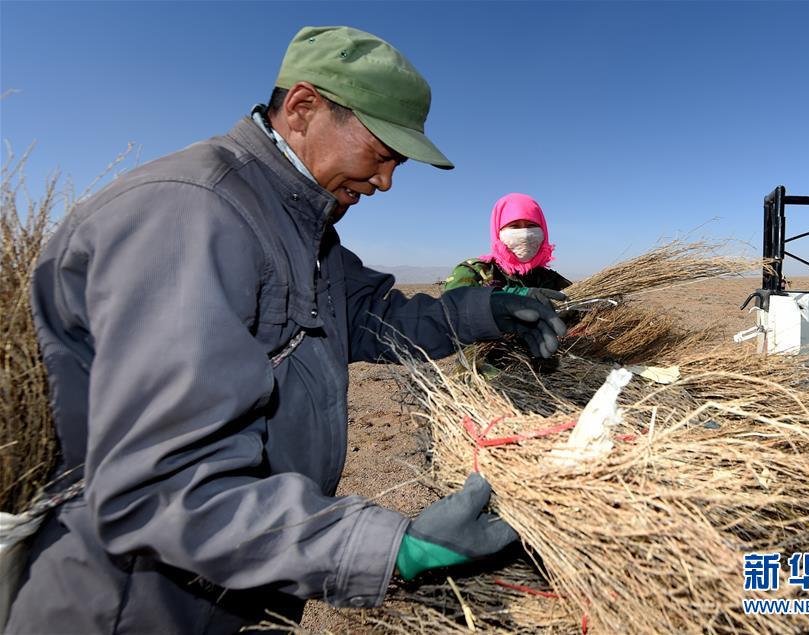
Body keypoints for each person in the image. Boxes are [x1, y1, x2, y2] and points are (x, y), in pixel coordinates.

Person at [7, 26, 566, 634]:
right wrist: (389, 548)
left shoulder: (303, 228)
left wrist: (488, 312)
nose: (385, 182)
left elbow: (375, 316)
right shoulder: (194, 215)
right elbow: (164, 488)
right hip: (129, 606)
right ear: (303, 108)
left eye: (397, 164)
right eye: (381, 154)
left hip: (232, 587)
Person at [444, 192, 572, 300]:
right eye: (514, 226)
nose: (525, 234)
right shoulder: (475, 271)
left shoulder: (550, 279)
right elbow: (453, 307)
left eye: (531, 226)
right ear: (497, 232)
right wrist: (514, 296)